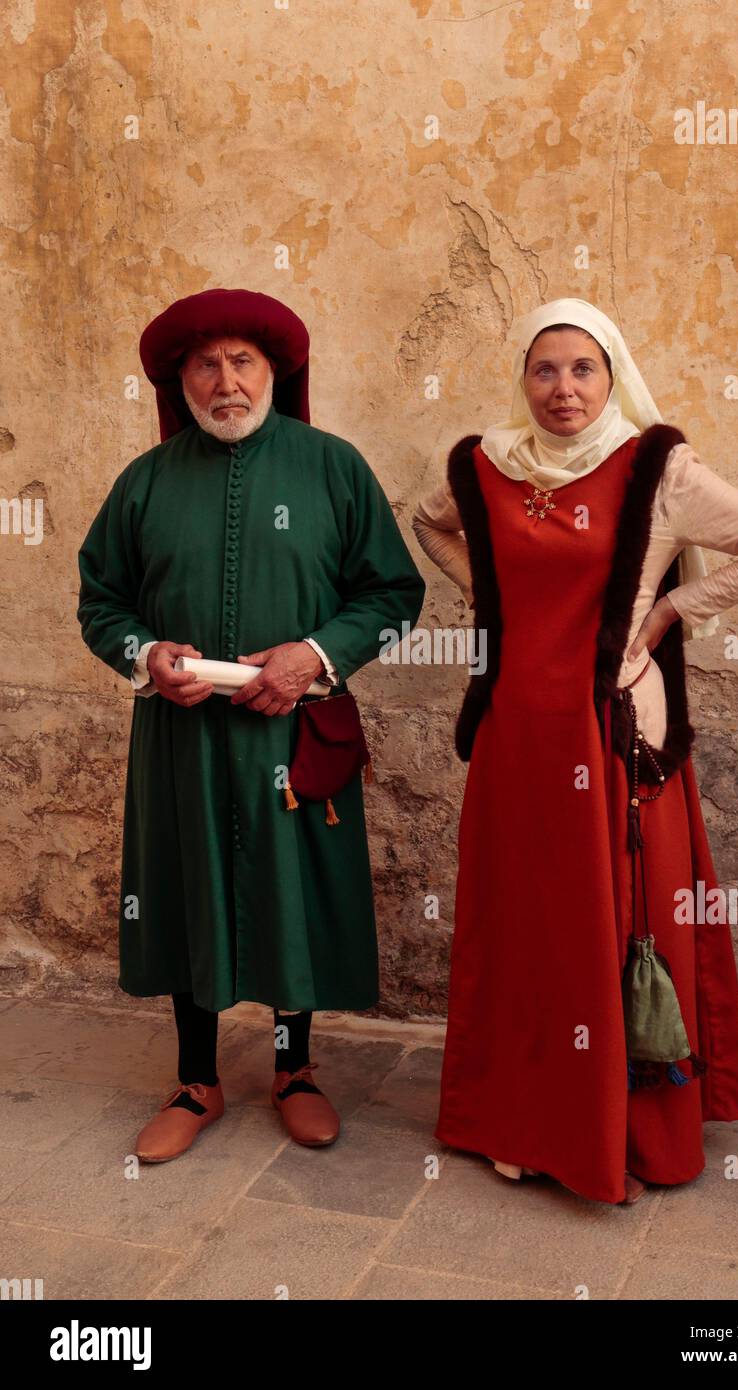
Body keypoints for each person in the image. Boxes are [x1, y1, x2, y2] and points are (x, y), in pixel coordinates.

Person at [411, 297, 738, 1207]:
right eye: (544, 369)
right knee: (526, 928)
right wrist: (498, 598)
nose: (563, 388)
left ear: (612, 373)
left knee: (615, 925)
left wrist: (670, 612)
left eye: (582, 368)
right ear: (523, 379)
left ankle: (621, 1127)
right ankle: (521, 1117)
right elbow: (430, 524)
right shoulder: (486, 466)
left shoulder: (655, 469)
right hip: (519, 732)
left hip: (614, 734)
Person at [77, 288, 425, 1162]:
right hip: (180, 739)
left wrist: (314, 653)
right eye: (205, 363)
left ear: (274, 373)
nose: (224, 380)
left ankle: (294, 1070)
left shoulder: (333, 468)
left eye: (242, 361)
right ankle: (197, 1082)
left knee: (290, 893)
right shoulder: (146, 483)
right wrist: (146, 653)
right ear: (181, 382)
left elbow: (392, 595)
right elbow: (101, 600)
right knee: (183, 886)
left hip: (291, 735)